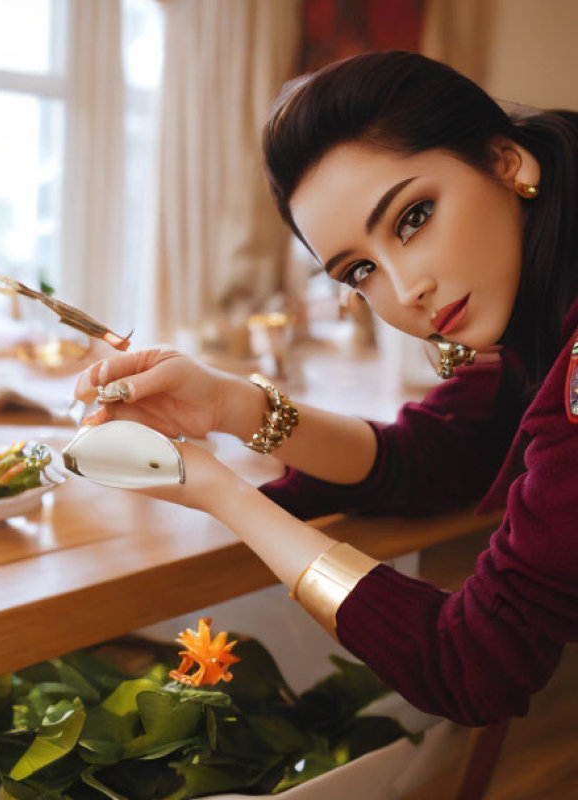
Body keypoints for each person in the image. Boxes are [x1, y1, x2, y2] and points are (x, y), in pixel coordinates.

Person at [73, 50, 578, 728]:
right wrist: (230, 405)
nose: (405, 291)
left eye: (413, 217)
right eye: (360, 270)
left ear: (505, 161)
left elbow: (470, 663)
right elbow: (437, 454)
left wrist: (221, 493)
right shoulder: (538, 292)